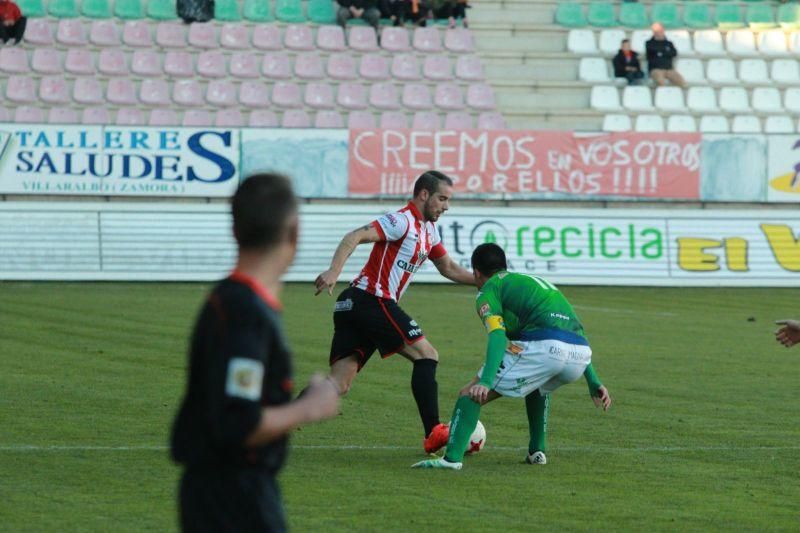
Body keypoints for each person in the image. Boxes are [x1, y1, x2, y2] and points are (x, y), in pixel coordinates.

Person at [170, 174, 340, 533]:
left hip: (219, 492)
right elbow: (238, 424)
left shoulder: (235, 302)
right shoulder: (243, 312)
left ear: (234, 230)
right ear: (294, 233)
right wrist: (310, 407)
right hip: (233, 497)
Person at [314, 170, 475, 454]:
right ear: (424, 194)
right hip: (371, 299)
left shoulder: (429, 230)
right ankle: (434, 432)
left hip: (353, 304)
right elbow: (355, 236)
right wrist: (333, 270)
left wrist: (487, 280)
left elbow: (449, 268)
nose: (446, 206)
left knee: (338, 385)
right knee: (427, 355)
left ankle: (272, 423)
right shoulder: (401, 221)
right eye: (442, 198)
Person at [412, 243, 611, 470]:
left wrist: (485, 382)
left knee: (469, 394)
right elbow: (572, 332)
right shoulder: (530, 282)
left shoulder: (488, 291)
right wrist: (593, 381)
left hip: (545, 349)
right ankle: (537, 451)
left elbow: (497, 336)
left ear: (476, 272)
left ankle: (451, 459)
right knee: (538, 386)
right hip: (581, 355)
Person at [646, 22, 687, 88]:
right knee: (660, 81)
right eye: (656, 31)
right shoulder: (649, 43)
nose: (659, 32)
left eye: (660, 30)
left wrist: (660, 53)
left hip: (669, 69)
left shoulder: (669, 43)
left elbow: (674, 53)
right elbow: (652, 51)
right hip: (656, 69)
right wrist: (665, 51)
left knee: (681, 81)